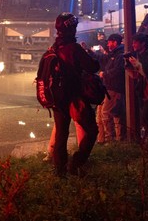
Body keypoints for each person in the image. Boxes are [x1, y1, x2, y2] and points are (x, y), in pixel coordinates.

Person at [47, 13, 100, 177]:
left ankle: (59, 171)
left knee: (61, 135)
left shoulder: (53, 48)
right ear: (72, 28)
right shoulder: (74, 48)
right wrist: (91, 54)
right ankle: (76, 163)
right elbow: (93, 67)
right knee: (91, 130)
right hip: (74, 98)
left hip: (57, 98)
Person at [98, 33, 126, 142]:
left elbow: (118, 70)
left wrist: (105, 74)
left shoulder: (119, 55)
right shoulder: (114, 54)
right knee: (114, 113)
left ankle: (111, 139)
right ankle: (116, 139)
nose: (108, 44)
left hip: (114, 88)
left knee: (107, 113)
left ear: (115, 42)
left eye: (109, 42)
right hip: (110, 87)